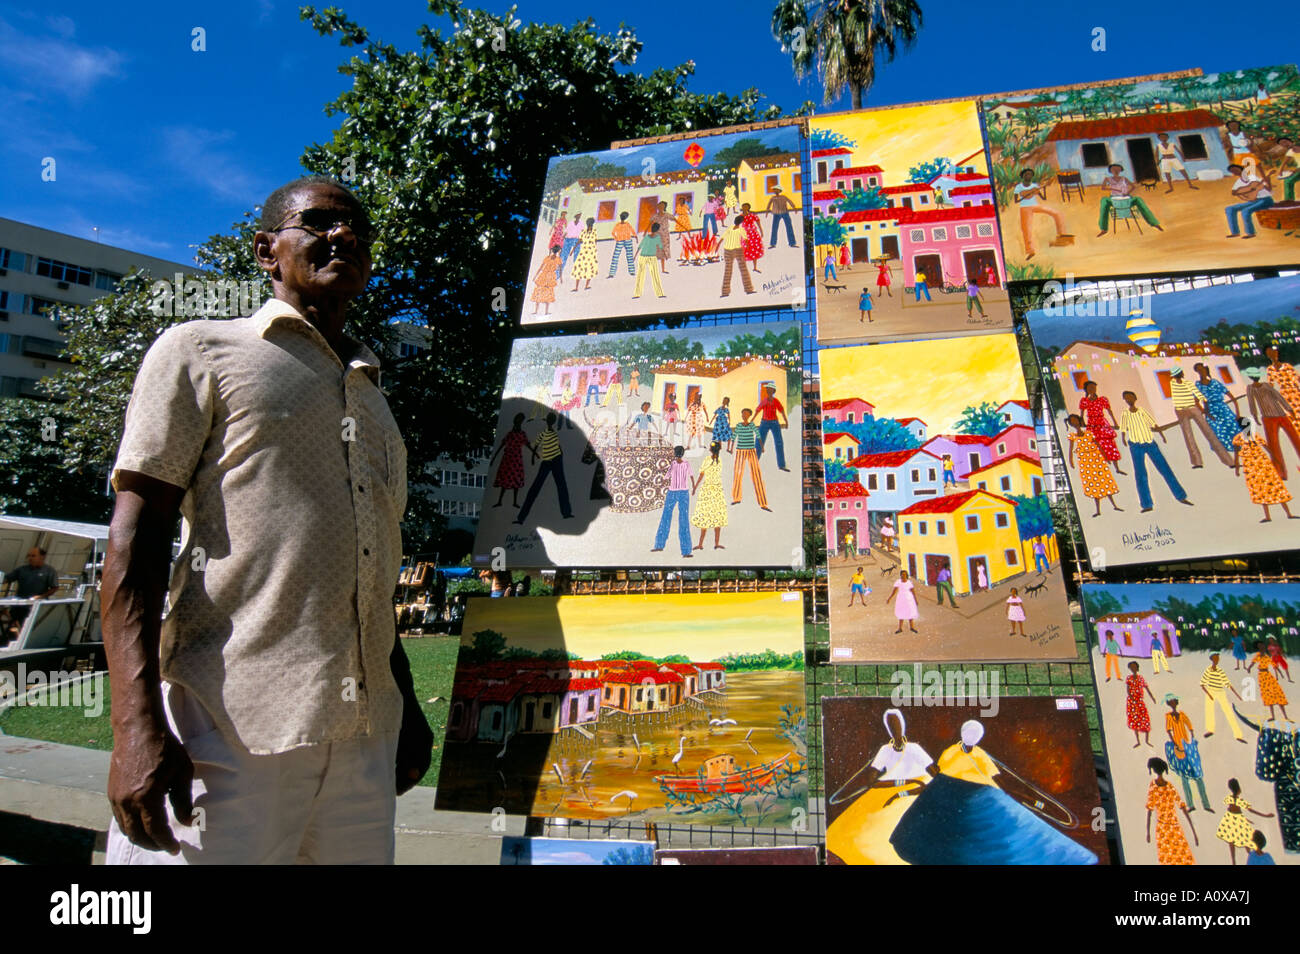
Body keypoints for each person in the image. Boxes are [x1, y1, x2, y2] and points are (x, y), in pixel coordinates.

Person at [102, 175, 432, 865]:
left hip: (364, 746)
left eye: (356, 231)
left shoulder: (376, 399)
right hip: (225, 733)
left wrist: (405, 703)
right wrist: (135, 728)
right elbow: (133, 547)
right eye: (317, 224)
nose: (342, 237)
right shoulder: (199, 350)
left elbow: (369, 568)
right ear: (266, 251)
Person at [1118, 390, 1192, 513]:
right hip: (1135, 445)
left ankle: (1181, 496)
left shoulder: (1142, 411)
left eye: (1130, 397)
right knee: (1140, 474)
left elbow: (1153, 423)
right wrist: (1123, 439)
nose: (1128, 400)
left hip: (1150, 442)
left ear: (1135, 398)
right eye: (1126, 398)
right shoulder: (1125, 414)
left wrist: (1162, 435)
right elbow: (1123, 429)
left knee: (1165, 469)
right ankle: (1147, 504)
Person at [1232, 417, 1297, 522]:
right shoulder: (1253, 436)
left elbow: (1236, 455)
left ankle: (1270, 516)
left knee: (1262, 490)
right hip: (1261, 465)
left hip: (1253, 467)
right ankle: (1287, 513)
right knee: (1274, 487)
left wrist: (1237, 468)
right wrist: (1277, 461)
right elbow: (1268, 449)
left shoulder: (1240, 438)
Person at [515, 414, 574, 526]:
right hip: (548, 461)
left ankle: (566, 512)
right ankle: (521, 517)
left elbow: (556, 446)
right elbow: (536, 445)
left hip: (556, 459)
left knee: (560, 485)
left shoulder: (553, 433)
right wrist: (533, 457)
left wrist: (560, 454)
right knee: (536, 487)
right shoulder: (544, 433)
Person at [1168, 366, 1233, 468]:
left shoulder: (1187, 383)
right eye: (1181, 372)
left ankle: (1229, 461)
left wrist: (1205, 407)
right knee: (1188, 436)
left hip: (1192, 408)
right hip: (1180, 410)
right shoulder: (1173, 383)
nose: (1183, 374)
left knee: (1209, 432)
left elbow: (1198, 394)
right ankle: (1197, 462)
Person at [1245, 366, 1300, 479]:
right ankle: (1281, 472)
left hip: (1281, 415)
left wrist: (1289, 409)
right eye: (1254, 375)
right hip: (1268, 418)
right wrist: (1255, 415)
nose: (1255, 377)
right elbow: (1251, 402)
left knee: (1296, 440)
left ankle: (1281, 472)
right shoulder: (1250, 388)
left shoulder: (1266, 385)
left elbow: (1278, 397)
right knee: (1274, 446)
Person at [1065, 413, 1122, 516]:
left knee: (1104, 481)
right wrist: (1071, 460)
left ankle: (1115, 505)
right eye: (1072, 422)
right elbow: (1070, 449)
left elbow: (1098, 445)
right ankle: (1098, 510)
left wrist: (1105, 457)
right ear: (1071, 424)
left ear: (1078, 420)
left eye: (1075, 420)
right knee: (1093, 485)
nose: (1074, 423)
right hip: (1085, 462)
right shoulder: (1073, 436)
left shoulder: (1088, 433)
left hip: (1096, 459)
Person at [1146, 757, 1198, 865]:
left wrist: (1148, 832)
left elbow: (1149, 811)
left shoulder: (1157, 787)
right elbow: (1183, 809)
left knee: (1172, 859)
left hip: (1166, 829)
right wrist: (1194, 832)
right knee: (1181, 858)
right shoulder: (1167, 787)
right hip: (1170, 828)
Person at [2, 546, 60, 641]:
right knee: (12, 622)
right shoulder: (22, 570)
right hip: (19, 605)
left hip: (36, 606)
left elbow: (55, 587)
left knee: (29, 629)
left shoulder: (49, 571)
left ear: (42, 557)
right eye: (29, 556)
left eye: (33, 555)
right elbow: (6, 579)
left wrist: (41, 596)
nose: (30, 558)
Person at [1164, 694, 1210, 812]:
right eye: (1171, 702)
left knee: (1198, 776)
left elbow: (1189, 726)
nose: (1173, 703)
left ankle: (1206, 804)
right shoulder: (1169, 716)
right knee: (1184, 777)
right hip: (1178, 747)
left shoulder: (1182, 714)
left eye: (1174, 701)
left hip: (1187, 746)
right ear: (1169, 704)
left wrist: (1191, 739)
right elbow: (1169, 731)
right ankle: (1191, 804)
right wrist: (1175, 744)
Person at [1013, 168, 1069, 260]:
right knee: (1026, 229)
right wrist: (1028, 194)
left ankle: (1063, 238)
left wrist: (1043, 190)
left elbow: (1043, 198)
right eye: (1026, 174)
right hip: (1025, 208)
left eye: (1030, 174)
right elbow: (1016, 200)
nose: (1028, 176)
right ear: (1022, 176)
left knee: (1057, 213)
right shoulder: (1018, 187)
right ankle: (1030, 251)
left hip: (1036, 206)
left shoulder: (1035, 185)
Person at [1216, 778, 1274, 865]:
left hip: (1230, 820)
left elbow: (1231, 810)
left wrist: (1244, 819)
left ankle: (1234, 861)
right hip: (1236, 821)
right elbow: (1250, 810)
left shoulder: (1229, 799)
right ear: (1239, 789)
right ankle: (1237, 860)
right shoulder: (1239, 801)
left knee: (1232, 840)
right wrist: (1266, 815)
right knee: (1244, 838)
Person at [1095, 163, 1163, 235]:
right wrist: (1114, 188)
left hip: (1126, 198)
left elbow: (1133, 186)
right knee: (1104, 200)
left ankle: (1154, 223)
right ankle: (1103, 228)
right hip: (1114, 199)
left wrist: (1127, 193)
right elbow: (1103, 187)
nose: (1116, 171)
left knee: (1138, 199)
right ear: (1110, 170)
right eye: (1113, 169)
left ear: (1120, 170)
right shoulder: (1107, 179)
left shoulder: (1124, 178)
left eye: (1118, 169)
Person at [651, 445, 693, 559]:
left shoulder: (683, 464)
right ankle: (683, 550)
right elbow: (667, 476)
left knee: (676, 518)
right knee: (671, 517)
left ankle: (685, 550)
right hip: (677, 492)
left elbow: (690, 476)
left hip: (680, 492)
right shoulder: (675, 464)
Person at [1078, 380, 1125, 474]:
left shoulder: (1102, 399)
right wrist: (1081, 424)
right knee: (1094, 445)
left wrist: (1115, 423)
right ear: (1086, 390)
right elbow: (1082, 414)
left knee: (1109, 444)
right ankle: (1099, 468)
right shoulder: (1084, 401)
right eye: (1090, 388)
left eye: (1094, 387)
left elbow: (1109, 411)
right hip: (1092, 424)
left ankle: (1117, 468)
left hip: (1102, 423)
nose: (1092, 389)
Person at [1193, 362, 1241, 451]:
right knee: (1218, 432)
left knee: (1233, 428)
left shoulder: (1215, 382)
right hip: (1210, 410)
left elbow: (1231, 397)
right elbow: (1196, 401)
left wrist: (1237, 412)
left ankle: (1238, 449)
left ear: (1205, 369)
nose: (1201, 371)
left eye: (1202, 369)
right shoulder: (1198, 385)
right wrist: (1206, 413)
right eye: (1199, 370)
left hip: (1223, 408)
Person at [1199, 653, 1246, 743]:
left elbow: (1227, 683)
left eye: (1218, 658)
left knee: (1228, 711)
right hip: (1211, 691)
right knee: (1209, 711)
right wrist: (1209, 695)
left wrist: (1237, 694)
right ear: (1212, 659)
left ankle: (1238, 734)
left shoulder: (1220, 671)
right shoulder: (1208, 670)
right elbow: (1202, 684)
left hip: (1220, 691)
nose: (1217, 660)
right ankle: (1210, 730)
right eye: (1216, 658)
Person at [729, 409, 769, 511]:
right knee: (737, 473)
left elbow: (758, 436)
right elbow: (734, 437)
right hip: (740, 451)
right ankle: (736, 497)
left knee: (756, 474)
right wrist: (730, 447)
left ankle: (763, 503)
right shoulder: (738, 426)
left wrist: (762, 447)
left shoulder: (752, 425)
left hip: (751, 450)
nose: (744, 416)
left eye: (746, 414)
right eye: (743, 414)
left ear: (749, 415)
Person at [690, 442, 727, 550]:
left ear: (711, 450)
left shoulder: (709, 460)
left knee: (706, 516)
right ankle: (713, 543)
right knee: (717, 516)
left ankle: (703, 544)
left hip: (708, 489)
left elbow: (701, 474)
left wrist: (695, 487)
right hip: (716, 490)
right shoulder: (718, 460)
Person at [1224, 160, 1274, 239]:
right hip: (1253, 201)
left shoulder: (1253, 177)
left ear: (1241, 169)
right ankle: (1235, 232)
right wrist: (1247, 193)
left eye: (1236, 169)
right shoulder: (1238, 182)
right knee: (1229, 208)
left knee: (1246, 211)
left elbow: (1269, 189)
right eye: (1232, 171)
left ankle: (1250, 233)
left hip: (1265, 200)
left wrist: (1268, 181)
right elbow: (1234, 192)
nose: (1235, 171)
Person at [488, 413, 530, 508]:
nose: (518, 424)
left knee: (516, 481)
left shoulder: (521, 434)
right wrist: (494, 458)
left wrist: (534, 453)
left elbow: (527, 444)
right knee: (505, 480)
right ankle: (500, 501)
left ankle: (514, 502)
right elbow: (502, 445)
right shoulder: (510, 434)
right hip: (508, 459)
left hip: (516, 459)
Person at [1246, 639, 1290, 720]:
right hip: (1262, 677)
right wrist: (1249, 668)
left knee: (1277, 693)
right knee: (1268, 696)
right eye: (1259, 646)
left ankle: (1285, 716)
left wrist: (1280, 673)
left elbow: (1274, 666)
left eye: (1262, 645)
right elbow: (1253, 662)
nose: (1261, 647)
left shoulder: (1267, 656)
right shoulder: (1258, 655)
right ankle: (1273, 716)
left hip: (1268, 675)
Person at [754, 385, 789, 472]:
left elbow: (781, 410)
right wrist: (752, 420)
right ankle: (754, 463)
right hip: (764, 422)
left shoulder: (776, 401)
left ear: (773, 391)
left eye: (770, 390)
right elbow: (757, 410)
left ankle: (781, 465)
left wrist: (786, 421)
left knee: (779, 443)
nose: (768, 391)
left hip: (774, 423)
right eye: (767, 390)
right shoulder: (764, 401)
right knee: (759, 442)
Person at [719, 215, 755, 297]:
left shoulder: (731, 228)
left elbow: (722, 239)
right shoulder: (740, 229)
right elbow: (746, 241)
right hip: (735, 250)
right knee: (742, 270)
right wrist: (748, 248)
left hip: (730, 250)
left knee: (729, 271)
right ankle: (748, 289)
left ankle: (725, 292)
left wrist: (717, 246)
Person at [631, 223, 667, 299]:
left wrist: (635, 256)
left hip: (643, 256)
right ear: (657, 230)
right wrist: (665, 255)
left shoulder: (647, 237)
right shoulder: (657, 237)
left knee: (641, 275)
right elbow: (661, 247)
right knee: (654, 275)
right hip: (649, 257)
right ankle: (659, 293)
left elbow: (640, 247)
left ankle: (637, 293)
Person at [1126, 660, 1156, 747]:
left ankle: (1147, 741)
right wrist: (1132, 699)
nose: (1133, 669)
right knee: (1135, 722)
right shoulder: (1129, 678)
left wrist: (1152, 697)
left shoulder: (1140, 678)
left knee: (1145, 720)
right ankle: (1138, 741)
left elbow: (1147, 688)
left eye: (1134, 667)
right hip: (1132, 703)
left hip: (1139, 701)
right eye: (1131, 667)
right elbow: (1128, 690)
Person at [530, 245, 561, 316]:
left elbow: (541, 267)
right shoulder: (555, 259)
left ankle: (537, 311)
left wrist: (535, 275)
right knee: (545, 292)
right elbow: (559, 269)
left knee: (542, 292)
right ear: (558, 251)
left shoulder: (552, 258)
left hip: (546, 276)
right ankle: (543, 311)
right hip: (548, 276)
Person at [570, 217, 599, 291]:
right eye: (589, 224)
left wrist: (595, 251)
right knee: (579, 268)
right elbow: (579, 241)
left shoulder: (594, 231)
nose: (589, 226)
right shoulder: (583, 232)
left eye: (590, 224)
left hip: (591, 252)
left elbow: (595, 242)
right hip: (584, 252)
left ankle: (586, 285)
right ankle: (576, 287)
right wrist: (573, 249)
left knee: (590, 268)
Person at [606, 212, 637, 278]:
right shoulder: (626, 224)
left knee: (616, 257)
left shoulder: (619, 225)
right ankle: (631, 272)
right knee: (628, 256)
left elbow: (613, 233)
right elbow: (633, 231)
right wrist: (635, 236)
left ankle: (612, 273)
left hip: (623, 241)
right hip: (626, 241)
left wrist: (617, 238)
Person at [887, 569, 918, 633]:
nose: (903, 575)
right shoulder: (898, 582)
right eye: (902, 574)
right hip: (901, 599)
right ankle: (900, 628)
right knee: (901, 613)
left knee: (910, 612)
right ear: (900, 575)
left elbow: (913, 591)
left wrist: (915, 600)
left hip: (909, 599)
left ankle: (912, 627)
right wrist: (889, 598)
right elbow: (894, 591)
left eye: (904, 574)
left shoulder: (909, 582)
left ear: (906, 575)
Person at [740, 203, 765, 273]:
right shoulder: (740, 216)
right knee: (745, 250)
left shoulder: (752, 215)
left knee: (754, 250)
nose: (744, 208)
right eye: (743, 207)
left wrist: (761, 231)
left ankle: (755, 267)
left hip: (753, 234)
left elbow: (758, 223)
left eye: (746, 207)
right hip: (745, 234)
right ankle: (744, 268)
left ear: (748, 208)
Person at [651, 201, 676, 271]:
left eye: (662, 206)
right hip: (657, 235)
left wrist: (684, 227)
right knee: (656, 251)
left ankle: (663, 269)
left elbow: (674, 219)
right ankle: (654, 268)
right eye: (659, 206)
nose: (660, 207)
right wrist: (650, 233)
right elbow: (651, 224)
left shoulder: (667, 215)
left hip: (665, 235)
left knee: (664, 250)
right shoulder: (655, 216)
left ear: (664, 207)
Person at [1274, 136, 1299, 202]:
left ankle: (1289, 200)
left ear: (1291, 141)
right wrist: (1280, 171)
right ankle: (1289, 200)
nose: (1285, 144)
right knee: (1288, 181)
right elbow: (1284, 162)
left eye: (1285, 142)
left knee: (1289, 181)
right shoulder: (1290, 151)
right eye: (1282, 144)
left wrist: (1296, 170)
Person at [559, 211, 584, 275]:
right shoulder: (571, 223)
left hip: (576, 240)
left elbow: (583, 232)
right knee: (564, 255)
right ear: (575, 216)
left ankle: (578, 271)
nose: (578, 217)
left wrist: (581, 239)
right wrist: (562, 239)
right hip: (568, 239)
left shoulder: (581, 223)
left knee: (577, 256)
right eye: (577, 215)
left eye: (579, 215)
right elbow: (566, 231)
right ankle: (559, 272)